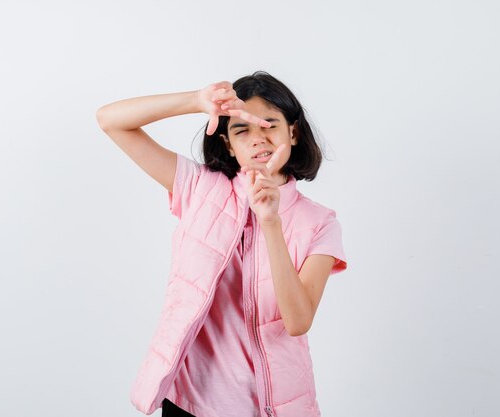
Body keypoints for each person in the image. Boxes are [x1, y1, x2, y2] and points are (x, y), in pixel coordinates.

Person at [96, 71, 347, 417]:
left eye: (269, 124)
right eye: (242, 130)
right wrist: (196, 101)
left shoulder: (319, 222)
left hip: (270, 409)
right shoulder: (200, 188)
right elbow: (110, 120)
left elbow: (297, 321)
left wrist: (270, 222)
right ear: (228, 143)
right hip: (190, 404)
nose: (258, 138)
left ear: (293, 130)